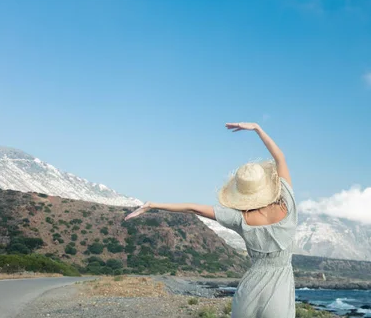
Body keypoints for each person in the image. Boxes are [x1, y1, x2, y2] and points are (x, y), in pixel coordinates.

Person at [124, 122, 297, 318]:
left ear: (242, 193)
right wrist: (258, 128)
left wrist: (153, 205)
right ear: (267, 185)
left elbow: (192, 208)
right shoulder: (288, 204)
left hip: (252, 286)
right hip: (280, 290)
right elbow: (280, 157)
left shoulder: (240, 218)